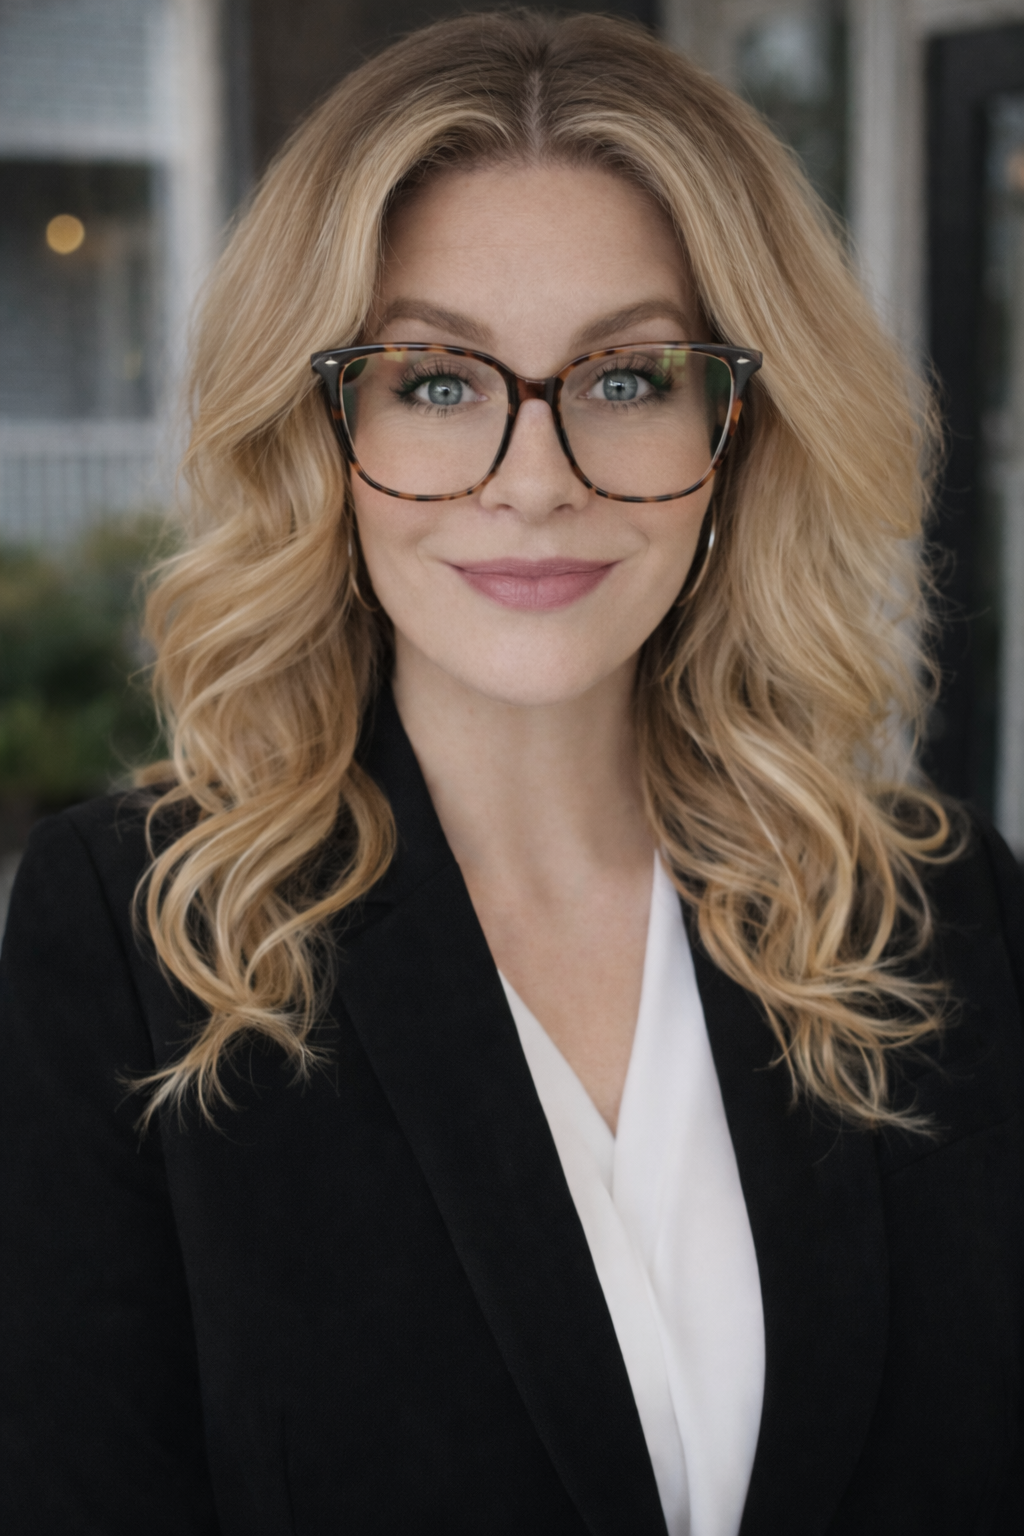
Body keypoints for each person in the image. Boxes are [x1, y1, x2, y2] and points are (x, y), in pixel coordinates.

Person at [1, 10, 1021, 1534]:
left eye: (628, 379)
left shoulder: (936, 916)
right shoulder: (139, 936)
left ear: (739, 429)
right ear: (318, 428)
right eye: (434, 382)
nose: (534, 482)